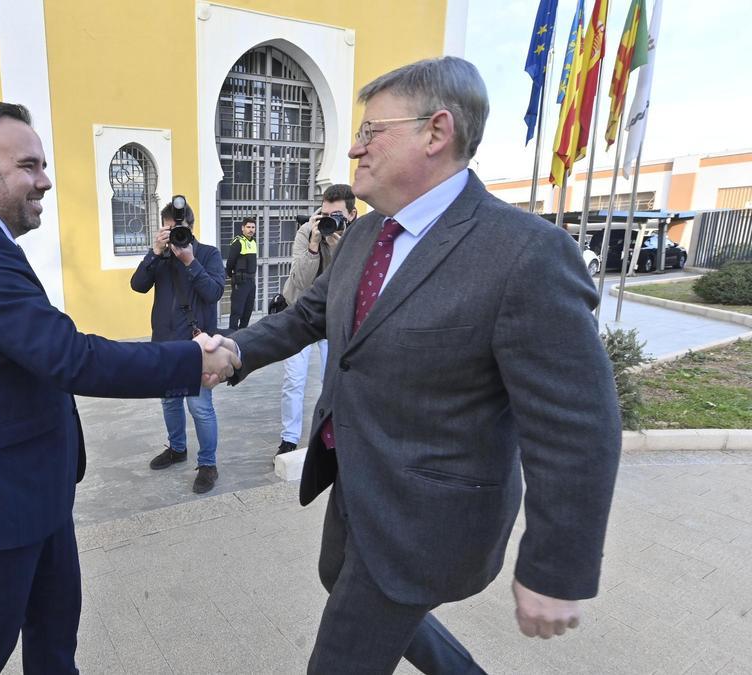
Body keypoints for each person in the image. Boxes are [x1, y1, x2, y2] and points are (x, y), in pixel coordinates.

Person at [205, 56, 622, 673]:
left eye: (371, 131)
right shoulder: (369, 235)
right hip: (357, 483)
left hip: (428, 514)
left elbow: (577, 426)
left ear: (437, 132)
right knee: (335, 575)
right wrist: (236, 349)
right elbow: (305, 316)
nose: (353, 149)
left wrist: (556, 567)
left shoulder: (525, 255)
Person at [0, 102, 240, 674]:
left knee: (54, 646)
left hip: (30, 492)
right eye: (29, 165)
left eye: (43, 165)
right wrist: (191, 360)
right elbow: (67, 355)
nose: (45, 180)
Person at [130, 200, 226, 494]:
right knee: (169, 402)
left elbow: (214, 293)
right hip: (164, 343)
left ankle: (208, 464)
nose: (175, 236)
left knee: (200, 408)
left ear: (191, 228)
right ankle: (177, 448)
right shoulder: (161, 257)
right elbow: (137, 285)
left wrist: (190, 261)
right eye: (169, 230)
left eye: (179, 230)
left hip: (197, 347)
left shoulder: (208, 254)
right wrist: (154, 253)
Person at [276, 184, 356, 456]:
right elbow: (301, 280)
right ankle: (289, 437)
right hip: (300, 313)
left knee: (331, 378)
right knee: (293, 380)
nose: (328, 220)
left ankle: (329, 434)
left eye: (336, 215)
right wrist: (313, 243)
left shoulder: (355, 238)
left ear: (352, 215)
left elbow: (349, 281)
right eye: (324, 213)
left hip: (332, 318)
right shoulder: (306, 232)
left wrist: (338, 247)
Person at [225, 216, 258, 330]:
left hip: (251, 282)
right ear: (243, 228)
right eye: (248, 227)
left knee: (247, 312)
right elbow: (230, 262)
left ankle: (242, 337)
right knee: (236, 312)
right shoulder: (238, 241)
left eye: (253, 227)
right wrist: (232, 276)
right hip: (240, 282)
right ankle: (232, 336)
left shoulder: (253, 242)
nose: (251, 229)